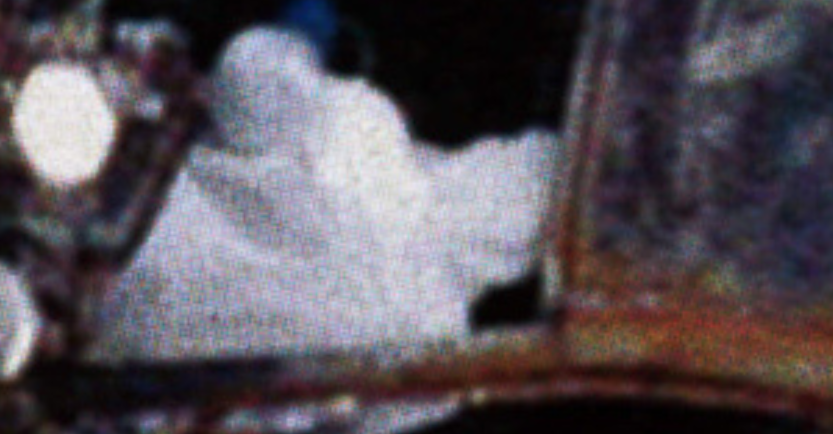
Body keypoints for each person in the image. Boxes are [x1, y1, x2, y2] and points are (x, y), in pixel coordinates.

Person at [96, 22, 560, 363]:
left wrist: (295, 42)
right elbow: (320, 430)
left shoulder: (368, 130)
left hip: (121, 208)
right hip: (124, 346)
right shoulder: (436, 345)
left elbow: (247, 73)